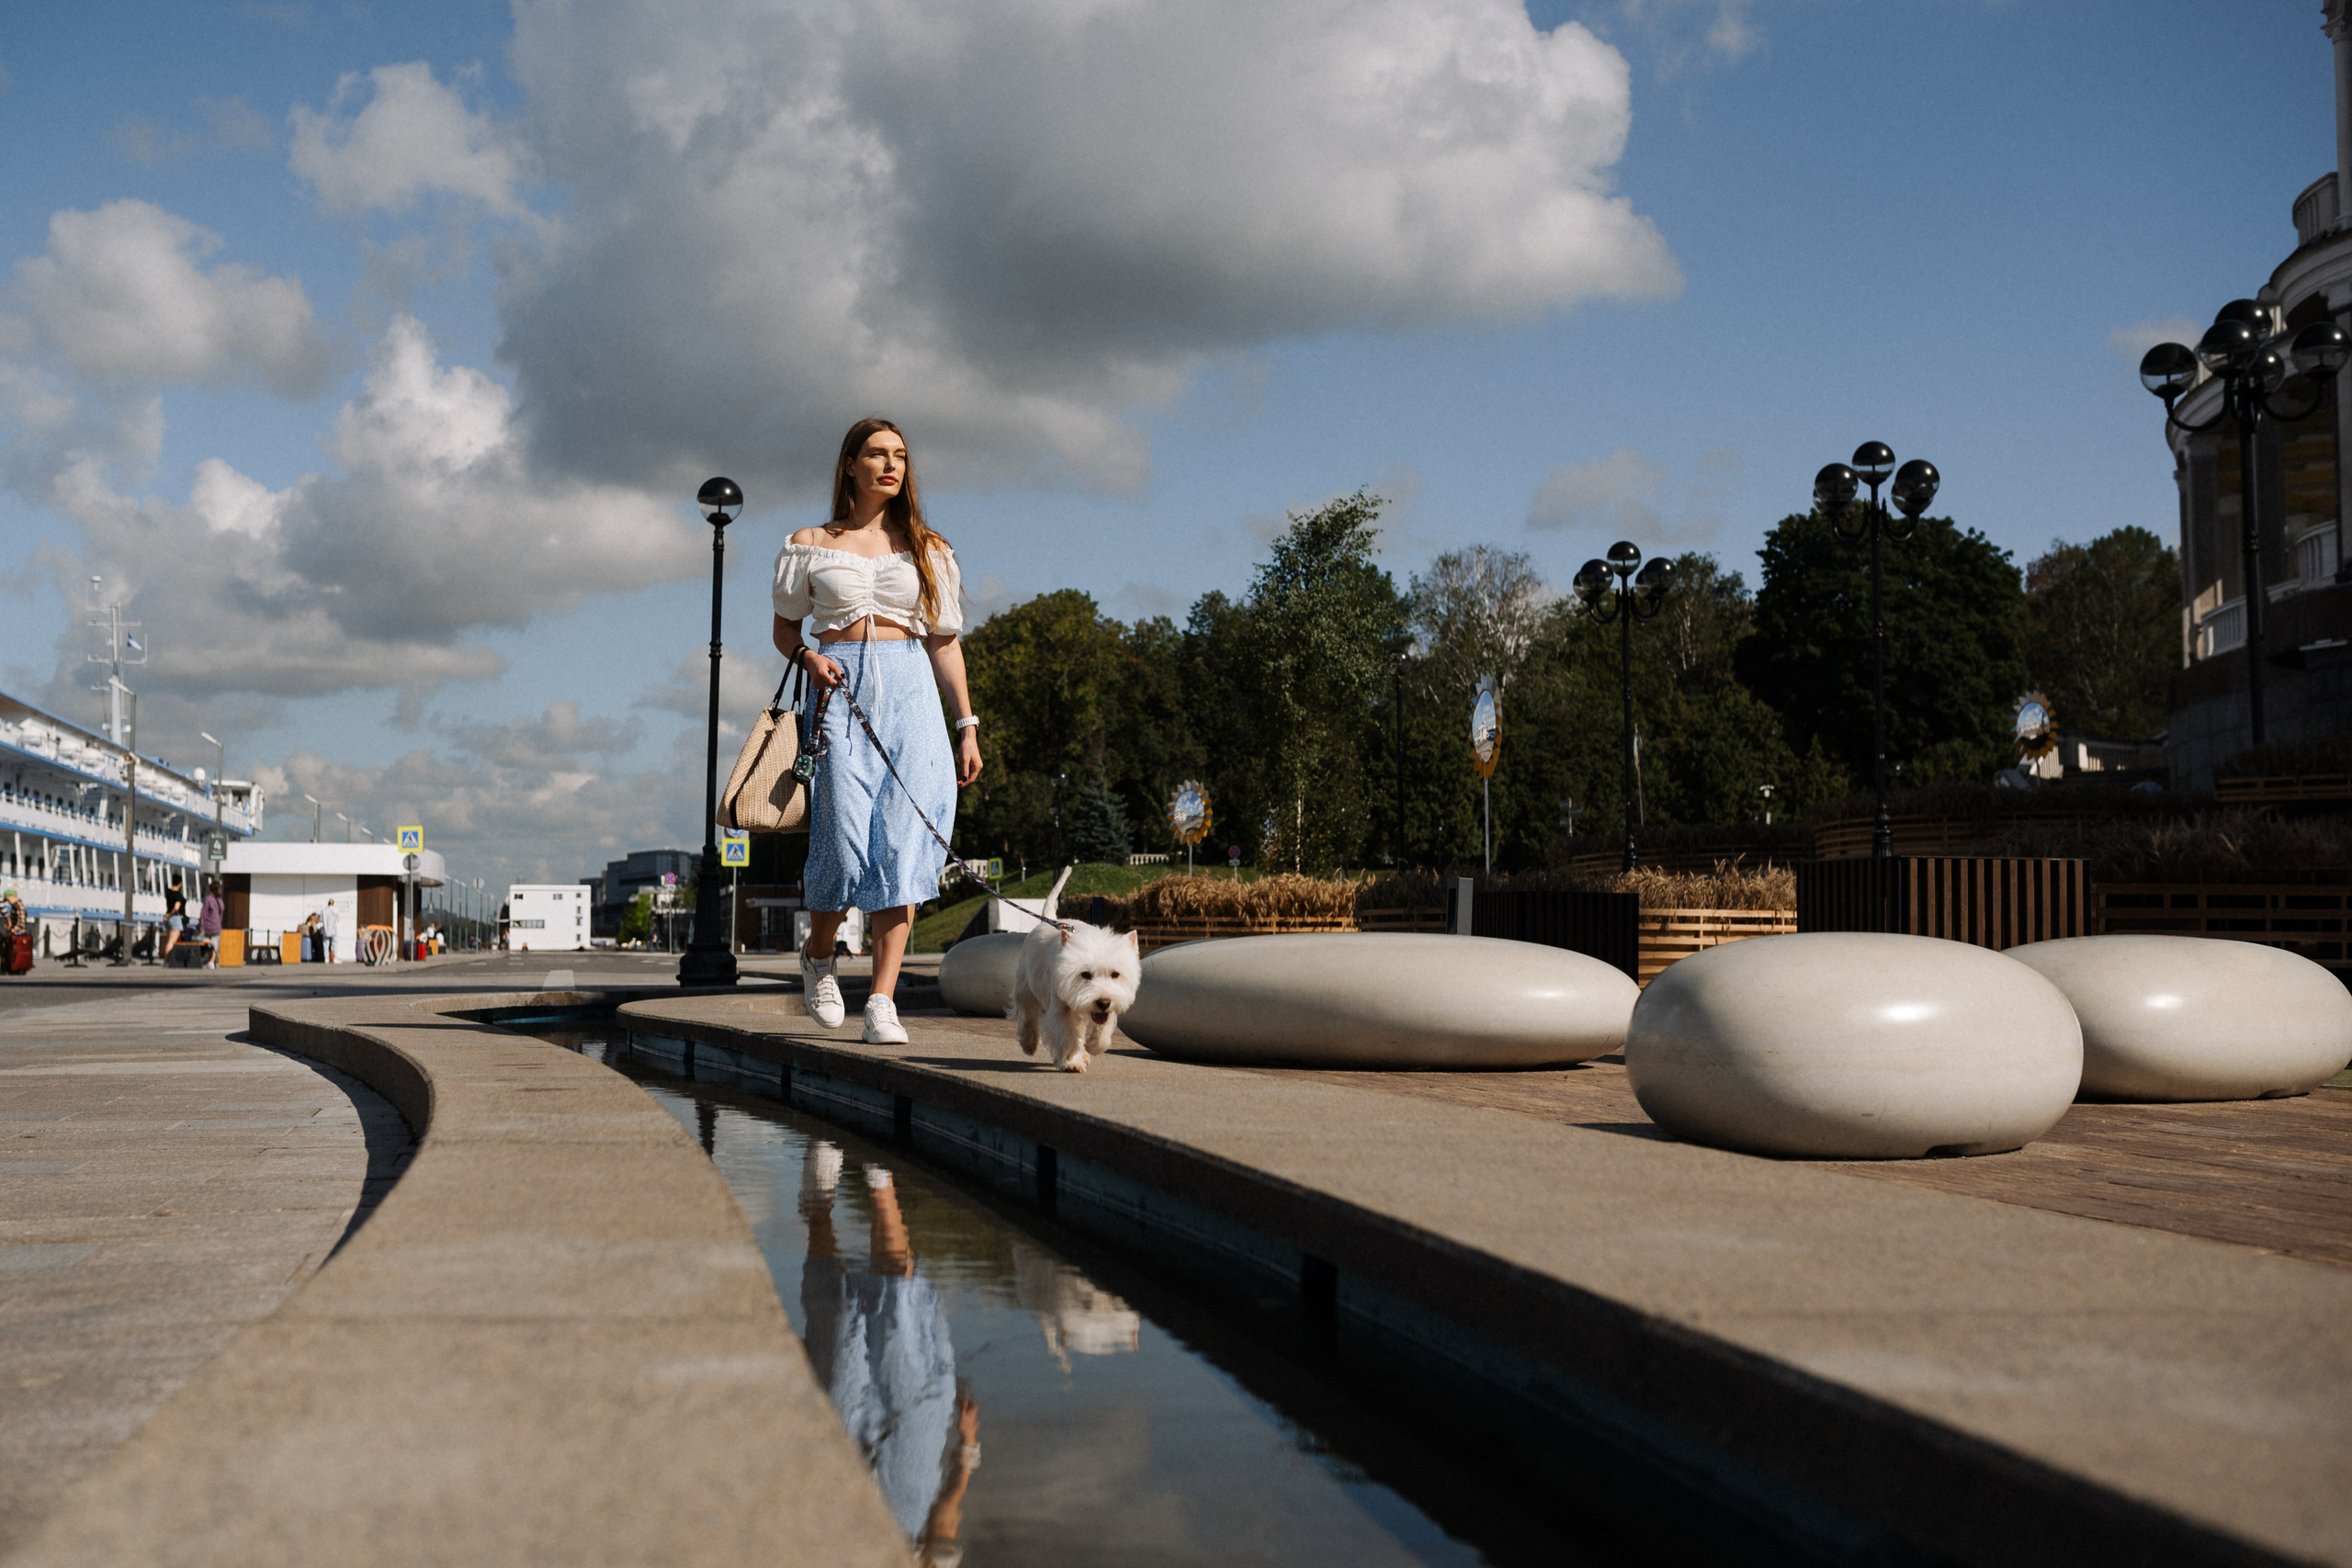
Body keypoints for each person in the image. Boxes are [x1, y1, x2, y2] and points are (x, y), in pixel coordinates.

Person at [773, 417, 982, 1044]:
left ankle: (883, 1001)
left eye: (900, 455)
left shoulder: (927, 546)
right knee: (839, 839)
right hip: (840, 688)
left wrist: (966, 725)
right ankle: (819, 955)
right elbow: (786, 628)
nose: (891, 465)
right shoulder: (811, 542)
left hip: (911, 690)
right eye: (876, 454)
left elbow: (945, 643)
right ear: (850, 465)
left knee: (902, 842)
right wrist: (808, 657)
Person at [197, 879, 224, 969]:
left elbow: (203, 913)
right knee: (215, 944)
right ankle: (211, 962)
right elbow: (222, 912)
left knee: (197, 938)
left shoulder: (208, 899)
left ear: (210, 889)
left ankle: (211, 944)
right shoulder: (219, 900)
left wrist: (201, 926)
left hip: (208, 925)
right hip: (217, 925)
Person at [161, 874, 186, 961]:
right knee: (172, 941)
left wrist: (167, 915)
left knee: (168, 940)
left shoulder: (168, 892)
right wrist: (170, 914)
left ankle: (167, 959)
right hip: (174, 917)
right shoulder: (178, 895)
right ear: (180, 883)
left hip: (168, 918)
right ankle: (167, 960)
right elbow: (176, 908)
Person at [321, 897, 341, 964]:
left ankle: (326, 958)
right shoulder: (335, 910)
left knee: (325, 944)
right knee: (335, 944)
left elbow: (321, 919)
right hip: (333, 929)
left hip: (326, 930)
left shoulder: (324, 910)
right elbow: (338, 919)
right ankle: (335, 958)